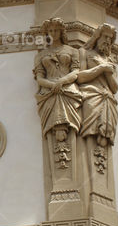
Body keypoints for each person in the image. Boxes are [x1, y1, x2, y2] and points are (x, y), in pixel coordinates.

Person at [32, 18, 82, 160]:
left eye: (56, 30)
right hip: (49, 92)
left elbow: (76, 71)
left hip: (68, 90)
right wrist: (53, 85)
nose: (53, 33)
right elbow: (40, 78)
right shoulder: (40, 55)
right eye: (50, 31)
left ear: (61, 32)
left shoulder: (72, 51)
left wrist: (62, 81)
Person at [77, 24, 118, 152]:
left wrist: (107, 71)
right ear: (97, 37)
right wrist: (100, 68)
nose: (107, 41)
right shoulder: (85, 53)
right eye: (105, 37)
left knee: (105, 135)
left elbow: (115, 88)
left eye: (110, 39)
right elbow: (80, 77)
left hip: (107, 100)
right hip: (91, 96)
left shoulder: (110, 61)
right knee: (90, 132)